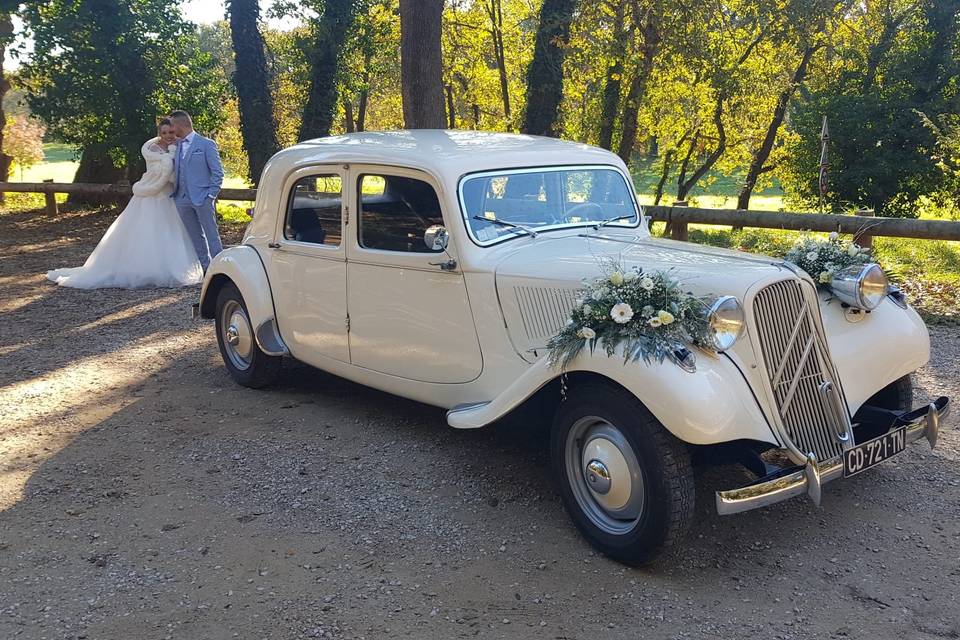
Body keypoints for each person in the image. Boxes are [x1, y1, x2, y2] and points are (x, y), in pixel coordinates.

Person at [47, 119, 203, 289]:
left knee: (172, 230)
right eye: (164, 133)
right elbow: (159, 173)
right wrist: (169, 165)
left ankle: (175, 266)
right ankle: (143, 269)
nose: (168, 136)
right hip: (150, 194)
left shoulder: (179, 147)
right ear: (159, 133)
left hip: (169, 195)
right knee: (147, 229)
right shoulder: (152, 150)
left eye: (171, 132)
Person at [168, 110, 224, 272]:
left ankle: (220, 270)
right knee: (195, 237)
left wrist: (211, 195)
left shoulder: (206, 144)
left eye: (173, 126)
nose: (171, 131)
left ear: (180, 125)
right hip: (182, 199)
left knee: (211, 235)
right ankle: (206, 268)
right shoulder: (176, 146)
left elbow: (218, 172)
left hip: (203, 197)